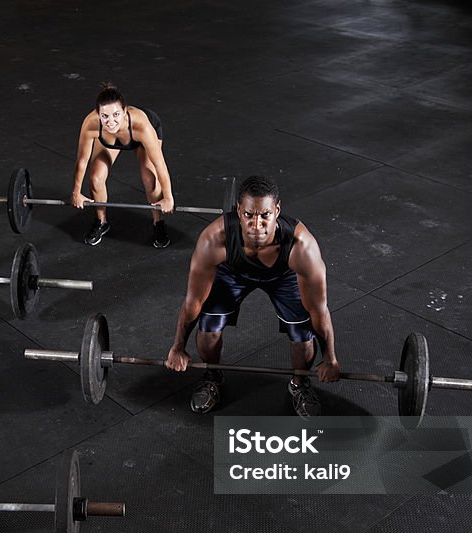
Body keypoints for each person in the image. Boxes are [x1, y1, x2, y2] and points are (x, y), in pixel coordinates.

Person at [165, 175, 341, 416]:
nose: (256, 224)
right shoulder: (214, 240)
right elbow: (193, 301)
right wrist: (177, 347)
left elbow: (318, 310)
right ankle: (212, 376)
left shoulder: (302, 247)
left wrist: (329, 358)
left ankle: (299, 384)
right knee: (208, 327)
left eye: (265, 215)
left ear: (277, 211)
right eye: (249, 215)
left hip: (284, 274)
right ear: (239, 211)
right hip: (232, 271)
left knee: (302, 332)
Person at [70, 84, 175, 248]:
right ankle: (101, 221)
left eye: (116, 114)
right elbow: (81, 161)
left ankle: (158, 223)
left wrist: (168, 197)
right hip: (110, 140)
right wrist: (76, 192)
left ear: (125, 111)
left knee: (150, 180)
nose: (110, 121)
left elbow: (159, 163)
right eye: (104, 116)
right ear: (98, 114)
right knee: (95, 178)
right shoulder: (91, 124)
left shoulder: (142, 127)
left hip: (138, 136)